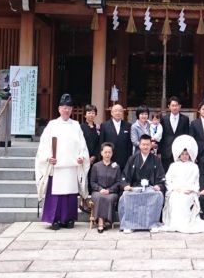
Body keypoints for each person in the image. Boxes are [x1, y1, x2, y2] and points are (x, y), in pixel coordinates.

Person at [35, 93, 90, 230]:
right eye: (64, 107)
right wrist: (49, 157)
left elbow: (82, 145)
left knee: (70, 195)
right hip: (57, 165)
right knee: (56, 195)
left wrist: (81, 156)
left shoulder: (76, 125)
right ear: (59, 109)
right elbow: (44, 144)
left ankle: (69, 219)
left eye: (69, 108)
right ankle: (54, 219)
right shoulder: (52, 125)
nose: (66, 110)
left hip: (71, 165)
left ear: (71, 110)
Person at [160, 135, 204, 233]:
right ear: (179, 154)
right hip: (176, 190)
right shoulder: (173, 165)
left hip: (189, 191)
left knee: (185, 200)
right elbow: (167, 180)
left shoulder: (194, 166)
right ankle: (175, 223)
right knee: (175, 199)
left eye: (186, 154)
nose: (184, 156)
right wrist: (176, 189)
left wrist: (192, 190)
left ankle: (185, 223)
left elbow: (197, 181)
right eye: (182, 154)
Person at [118, 134, 166, 232]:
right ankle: (129, 225)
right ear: (139, 145)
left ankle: (152, 224)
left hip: (150, 188)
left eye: (147, 145)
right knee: (125, 195)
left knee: (158, 195)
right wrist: (126, 186)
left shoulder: (156, 159)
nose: (145, 147)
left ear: (151, 146)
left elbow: (161, 177)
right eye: (143, 144)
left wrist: (159, 185)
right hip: (134, 188)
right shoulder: (133, 158)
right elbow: (124, 176)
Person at [89, 142, 122, 233]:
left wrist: (109, 190)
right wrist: (100, 189)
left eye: (109, 152)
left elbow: (118, 182)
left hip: (111, 192)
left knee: (109, 198)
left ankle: (103, 221)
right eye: (105, 152)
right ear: (101, 153)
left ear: (112, 153)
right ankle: (101, 222)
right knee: (99, 197)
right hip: (98, 191)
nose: (107, 154)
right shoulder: (96, 166)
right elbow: (92, 182)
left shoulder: (116, 167)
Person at [99, 104, 133, 169]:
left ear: (123, 113)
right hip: (109, 159)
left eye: (120, 111)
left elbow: (129, 145)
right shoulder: (104, 125)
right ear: (111, 113)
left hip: (124, 160)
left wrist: (129, 159)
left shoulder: (128, 126)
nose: (118, 113)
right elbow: (101, 143)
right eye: (116, 111)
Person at [161, 96, 190, 171]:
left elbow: (186, 135)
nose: (174, 107)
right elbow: (161, 136)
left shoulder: (185, 119)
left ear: (180, 106)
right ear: (169, 106)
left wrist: (186, 151)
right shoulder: (164, 119)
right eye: (173, 105)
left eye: (176, 105)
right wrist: (159, 151)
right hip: (166, 152)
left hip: (180, 152)